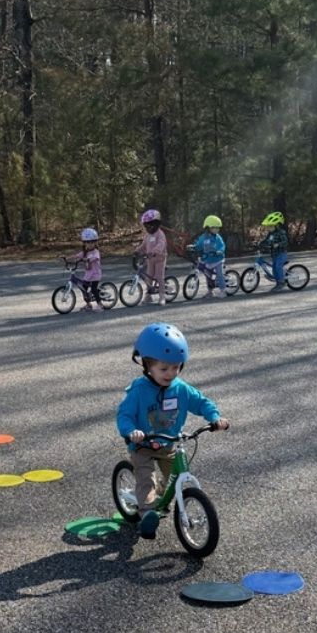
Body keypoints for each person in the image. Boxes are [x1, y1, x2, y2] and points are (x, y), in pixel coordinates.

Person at [116, 322, 229, 538]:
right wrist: (131, 431)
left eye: (176, 367)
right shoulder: (139, 390)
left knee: (175, 479)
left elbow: (201, 402)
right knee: (145, 479)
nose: (171, 373)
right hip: (143, 446)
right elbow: (125, 415)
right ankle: (148, 515)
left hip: (169, 443)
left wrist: (215, 418)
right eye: (164, 368)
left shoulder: (181, 389)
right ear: (147, 365)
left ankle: (162, 497)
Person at [190, 214, 227, 298]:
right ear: (208, 228)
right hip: (208, 260)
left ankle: (223, 290)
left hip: (218, 260)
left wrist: (220, 251)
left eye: (218, 228)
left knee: (219, 274)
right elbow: (199, 244)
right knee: (208, 275)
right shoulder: (203, 237)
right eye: (215, 227)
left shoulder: (218, 238)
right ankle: (210, 291)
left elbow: (222, 246)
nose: (217, 230)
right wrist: (194, 247)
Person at [67, 227, 104, 311]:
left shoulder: (96, 252)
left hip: (95, 275)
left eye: (91, 242)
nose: (89, 244)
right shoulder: (85, 252)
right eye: (87, 243)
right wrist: (68, 258)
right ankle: (88, 304)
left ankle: (100, 305)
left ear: (95, 243)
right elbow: (78, 255)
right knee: (84, 289)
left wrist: (87, 259)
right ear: (84, 243)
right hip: (88, 275)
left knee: (94, 289)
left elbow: (95, 258)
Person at [136, 208, 168, 304]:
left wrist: (154, 251)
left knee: (159, 276)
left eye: (149, 225)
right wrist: (137, 250)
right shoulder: (148, 236)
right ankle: (148, 296)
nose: (148, 228)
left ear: (156, 224)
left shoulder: (160, 234)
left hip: (159, 259)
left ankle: (162, 296)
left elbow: (161, 245)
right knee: (148, 277)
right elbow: (144, 245)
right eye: (146, 226)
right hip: (150, 259)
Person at [257, 211, 290, 289]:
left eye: (270, 226)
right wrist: (260, 244)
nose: (268, 228)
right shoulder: (270, 234)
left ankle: (281, 282)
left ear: (275, 225)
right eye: (268, 226)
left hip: (281, 253)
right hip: (274, 254)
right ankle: (277, 282)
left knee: (278, 266)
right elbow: (266, 241)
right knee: (274, 268)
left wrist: (278, 244)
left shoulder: (281, 232)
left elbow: (285, 242)